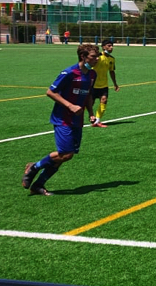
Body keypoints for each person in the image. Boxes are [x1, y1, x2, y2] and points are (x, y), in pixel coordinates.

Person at [21, 44, 98, 196]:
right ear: (83, 57)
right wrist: (70, 106)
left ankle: (38, 185)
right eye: (93, 57)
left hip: (78, 119)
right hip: (63, 118)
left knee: (65, 157)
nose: (97, 59)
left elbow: (88, 94)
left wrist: (90, 113)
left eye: (97, 56)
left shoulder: (92, 75)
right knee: (66, 154)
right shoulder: (69, 72)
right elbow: (50, 92)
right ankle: (33, 167)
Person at [88, 39, 119, 128]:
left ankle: (97, 121)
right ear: (103, 47)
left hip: (104, 85)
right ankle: (84, 117)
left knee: (104, 100)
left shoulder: (111, 59)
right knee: (90, 103)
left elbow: (111, 71)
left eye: (112, 46)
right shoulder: (97, 57)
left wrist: (115, 84)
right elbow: (88, 66)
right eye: (109, 46)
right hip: (93, 85)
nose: (111, 47)